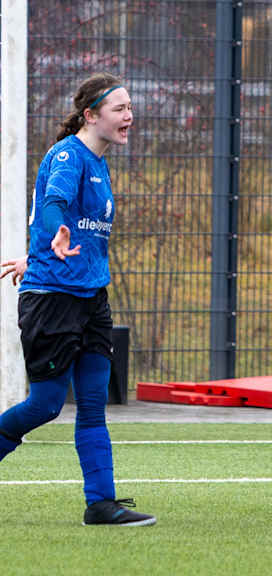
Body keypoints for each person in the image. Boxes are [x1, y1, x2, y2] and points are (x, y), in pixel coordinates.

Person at [0, 73, 156, 526]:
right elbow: (53, 204)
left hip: (90, 299)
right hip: (53, 301)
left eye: (130, 107)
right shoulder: (69, 155)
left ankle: (101, 504)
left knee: (91, 404)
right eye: (119, 109)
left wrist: (39, 251)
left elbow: (72, 226)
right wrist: (54, 236)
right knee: (46, 405)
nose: (129, 116)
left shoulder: (99, 162)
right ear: (90, 115)